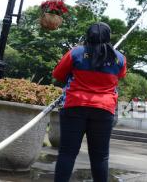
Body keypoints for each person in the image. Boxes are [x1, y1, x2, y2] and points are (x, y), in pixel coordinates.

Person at [52, 22, 127, 182]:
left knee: (67, 153)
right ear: (108, 37)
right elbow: (120, 76)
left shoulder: (76, 53)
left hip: (74, 106)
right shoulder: (119, 58)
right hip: (104, 109)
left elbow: (58, 74)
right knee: (100, 157)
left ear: (88, 35)